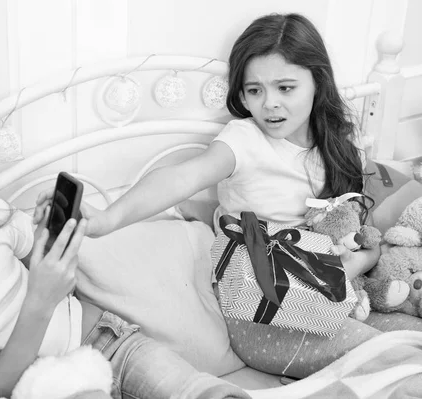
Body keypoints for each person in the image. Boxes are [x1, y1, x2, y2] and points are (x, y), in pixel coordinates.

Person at [34, 13, 422, 380]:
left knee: (409, 342)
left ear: (318, 82)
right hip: (265, 310)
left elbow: (357, 228)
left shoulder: (337, 145)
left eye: (286, 87)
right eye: (255, 90)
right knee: (397, 362)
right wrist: (107, 219)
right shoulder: (245, 140)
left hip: (336, 294)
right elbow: (182, 176)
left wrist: (367, 256)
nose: (269, 103)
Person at [0, 88, 251, 399]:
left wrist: (47, 242)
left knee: (206, 393)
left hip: (104, 339)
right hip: (32, 387)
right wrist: (38, 304)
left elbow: (59, 282)